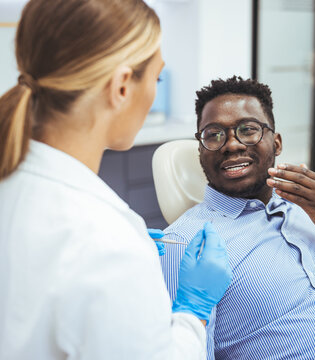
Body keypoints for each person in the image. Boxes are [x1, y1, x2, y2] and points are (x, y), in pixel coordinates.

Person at [0, 1, 231, 359]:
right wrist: (193, 311)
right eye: (156, 78)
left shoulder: (17, 180)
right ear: (122, 86)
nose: (155, 89)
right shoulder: (106, 240)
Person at [160, 76, 315, 360]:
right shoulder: (183, 244)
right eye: (213, 135)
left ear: (276, 143)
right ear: (201, 151)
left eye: (248, 130)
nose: (231, 145)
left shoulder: (313, 211)